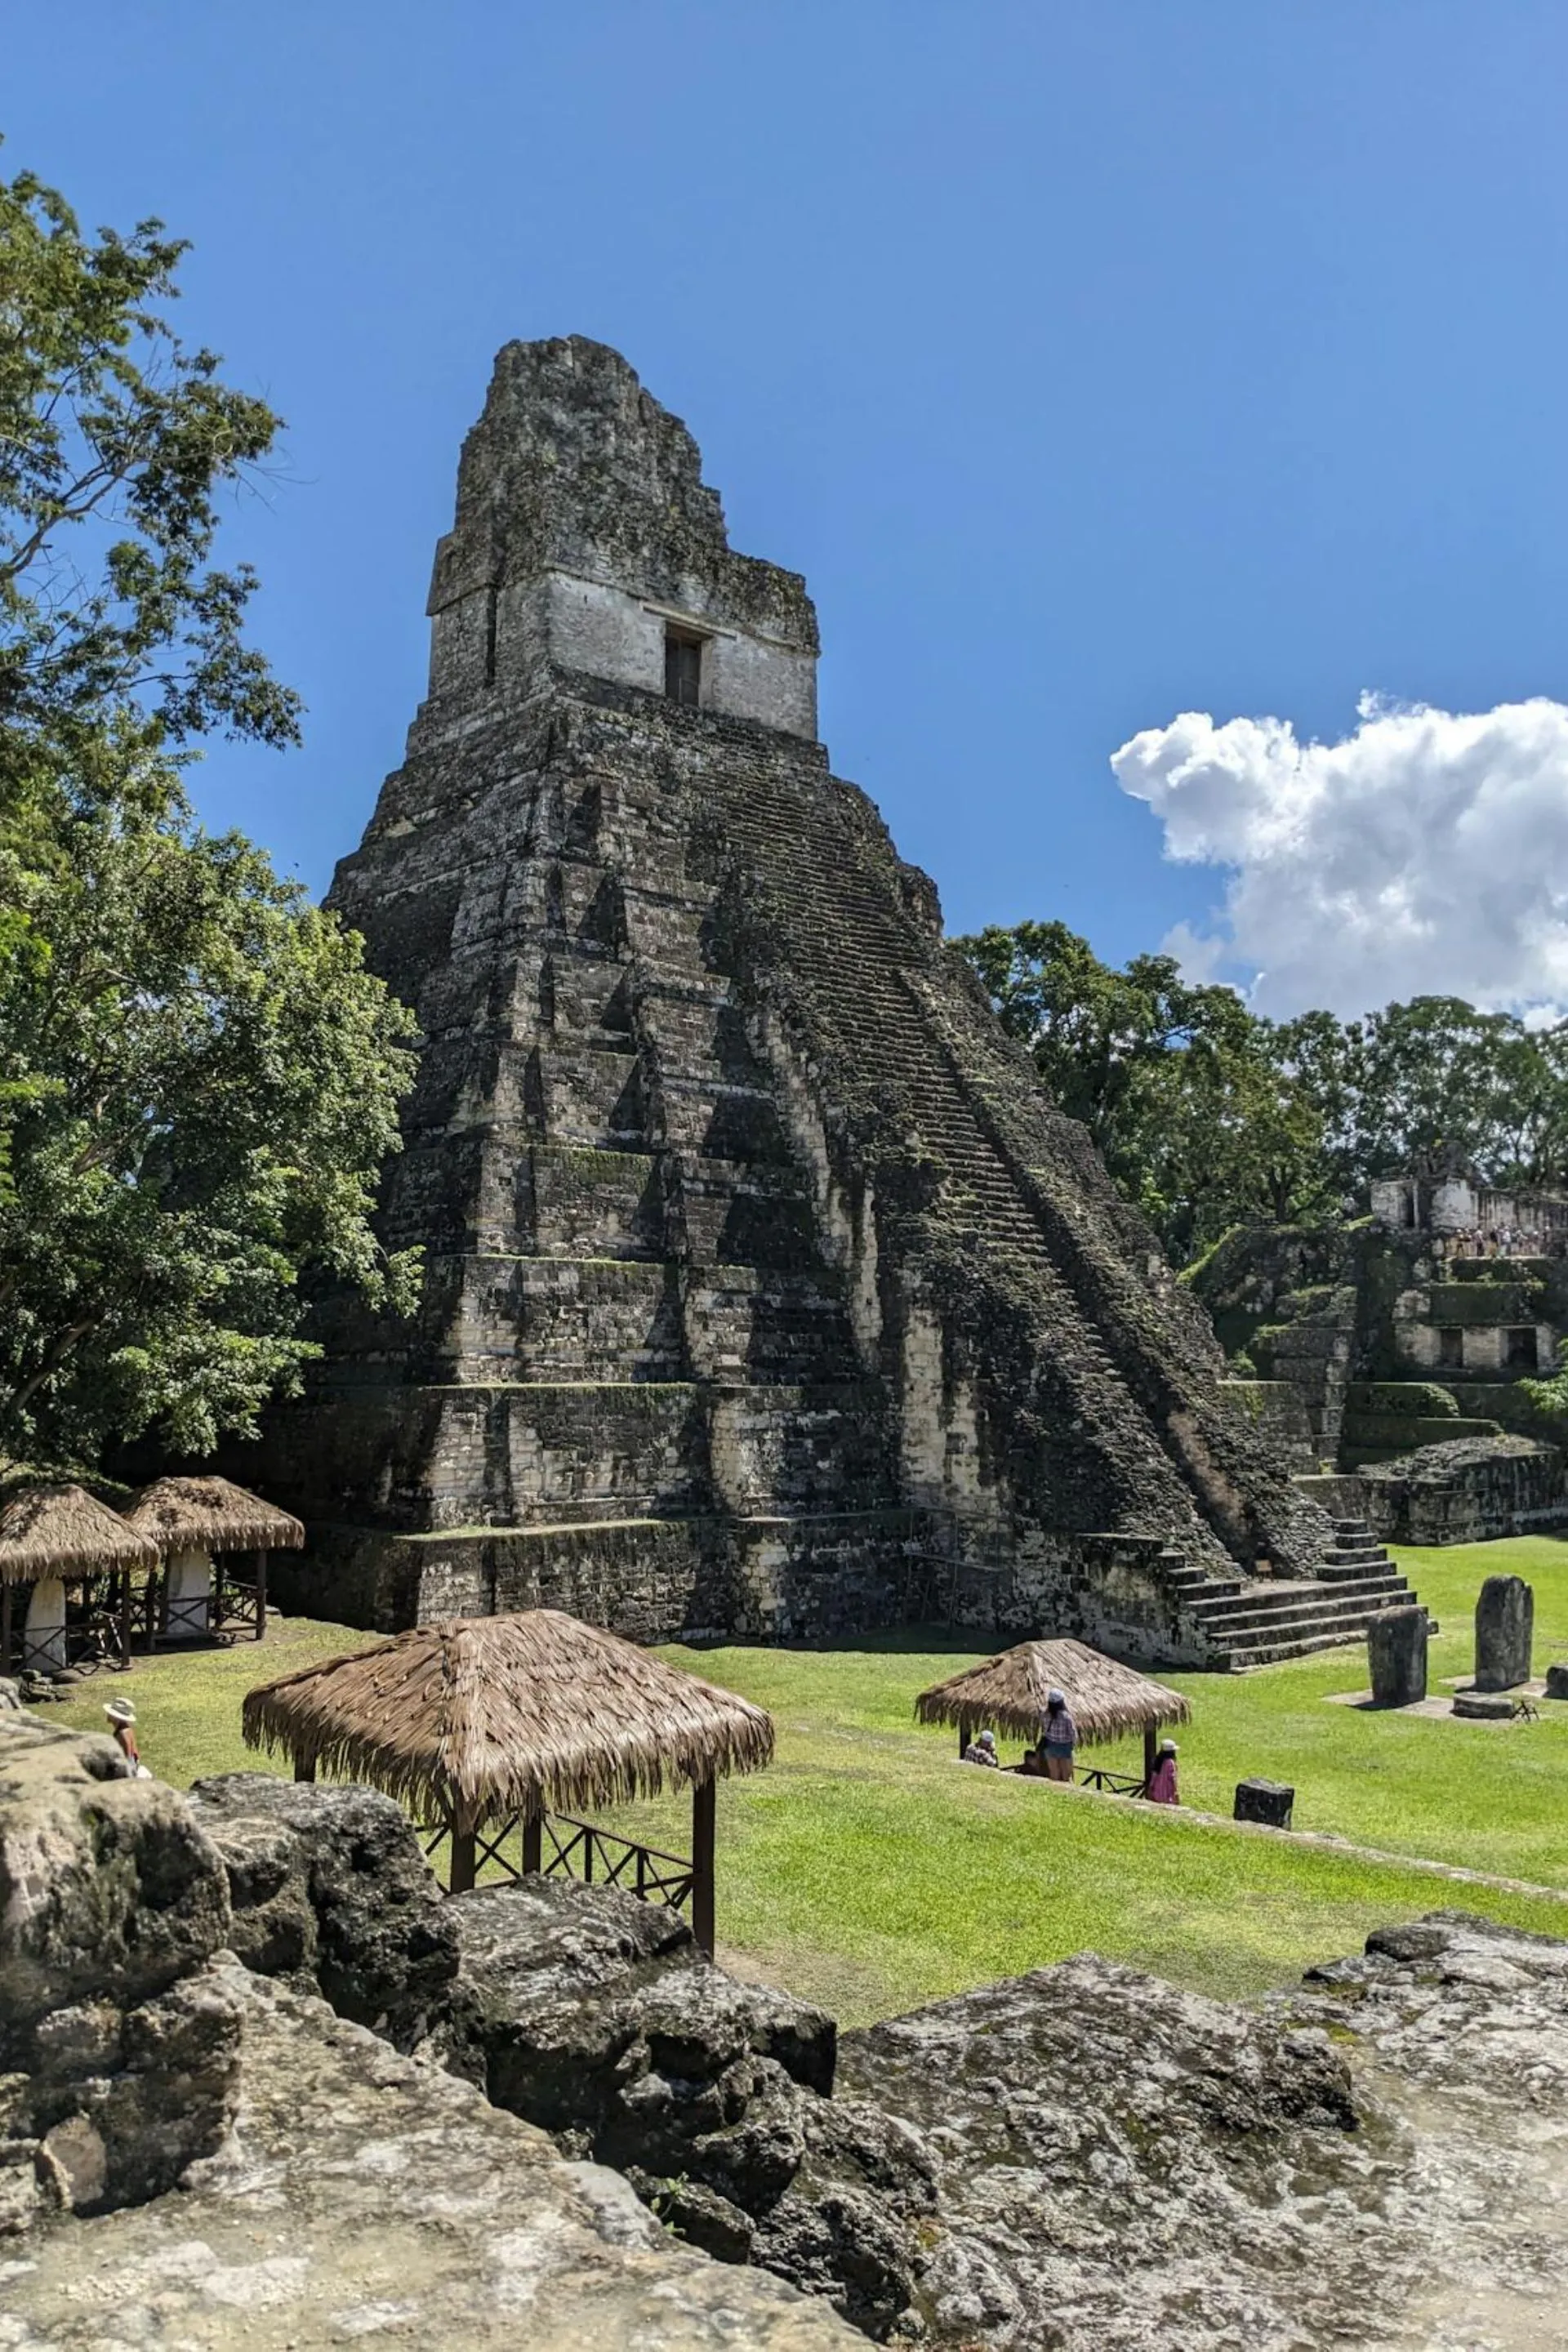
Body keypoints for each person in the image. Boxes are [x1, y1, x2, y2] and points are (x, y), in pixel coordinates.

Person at [104, 1698, 151, 1779]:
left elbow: (127, 1758)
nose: (108, 1714)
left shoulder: (123, 1733)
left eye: (110, 1713)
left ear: (116, 1717)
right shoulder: (127, 1729)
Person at [1041, 1688, 1077, 1782]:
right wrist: (1073, 1744)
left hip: (1050, 1745)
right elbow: (1073, 1733)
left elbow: (1045, 1729)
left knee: (1054, 1773)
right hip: (1065, 1746)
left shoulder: (1045, 1715)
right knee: (1066, 1775)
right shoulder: (1066, 1717)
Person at [1146, 1738, 1179, 1805]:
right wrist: (1176, 1792)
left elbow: (1154, 1776)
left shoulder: (1158, 1761)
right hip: (1167, 1794)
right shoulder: (1170, 1763)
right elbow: (1172, 1779)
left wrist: (1150, 1789)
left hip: (1157, 1793)